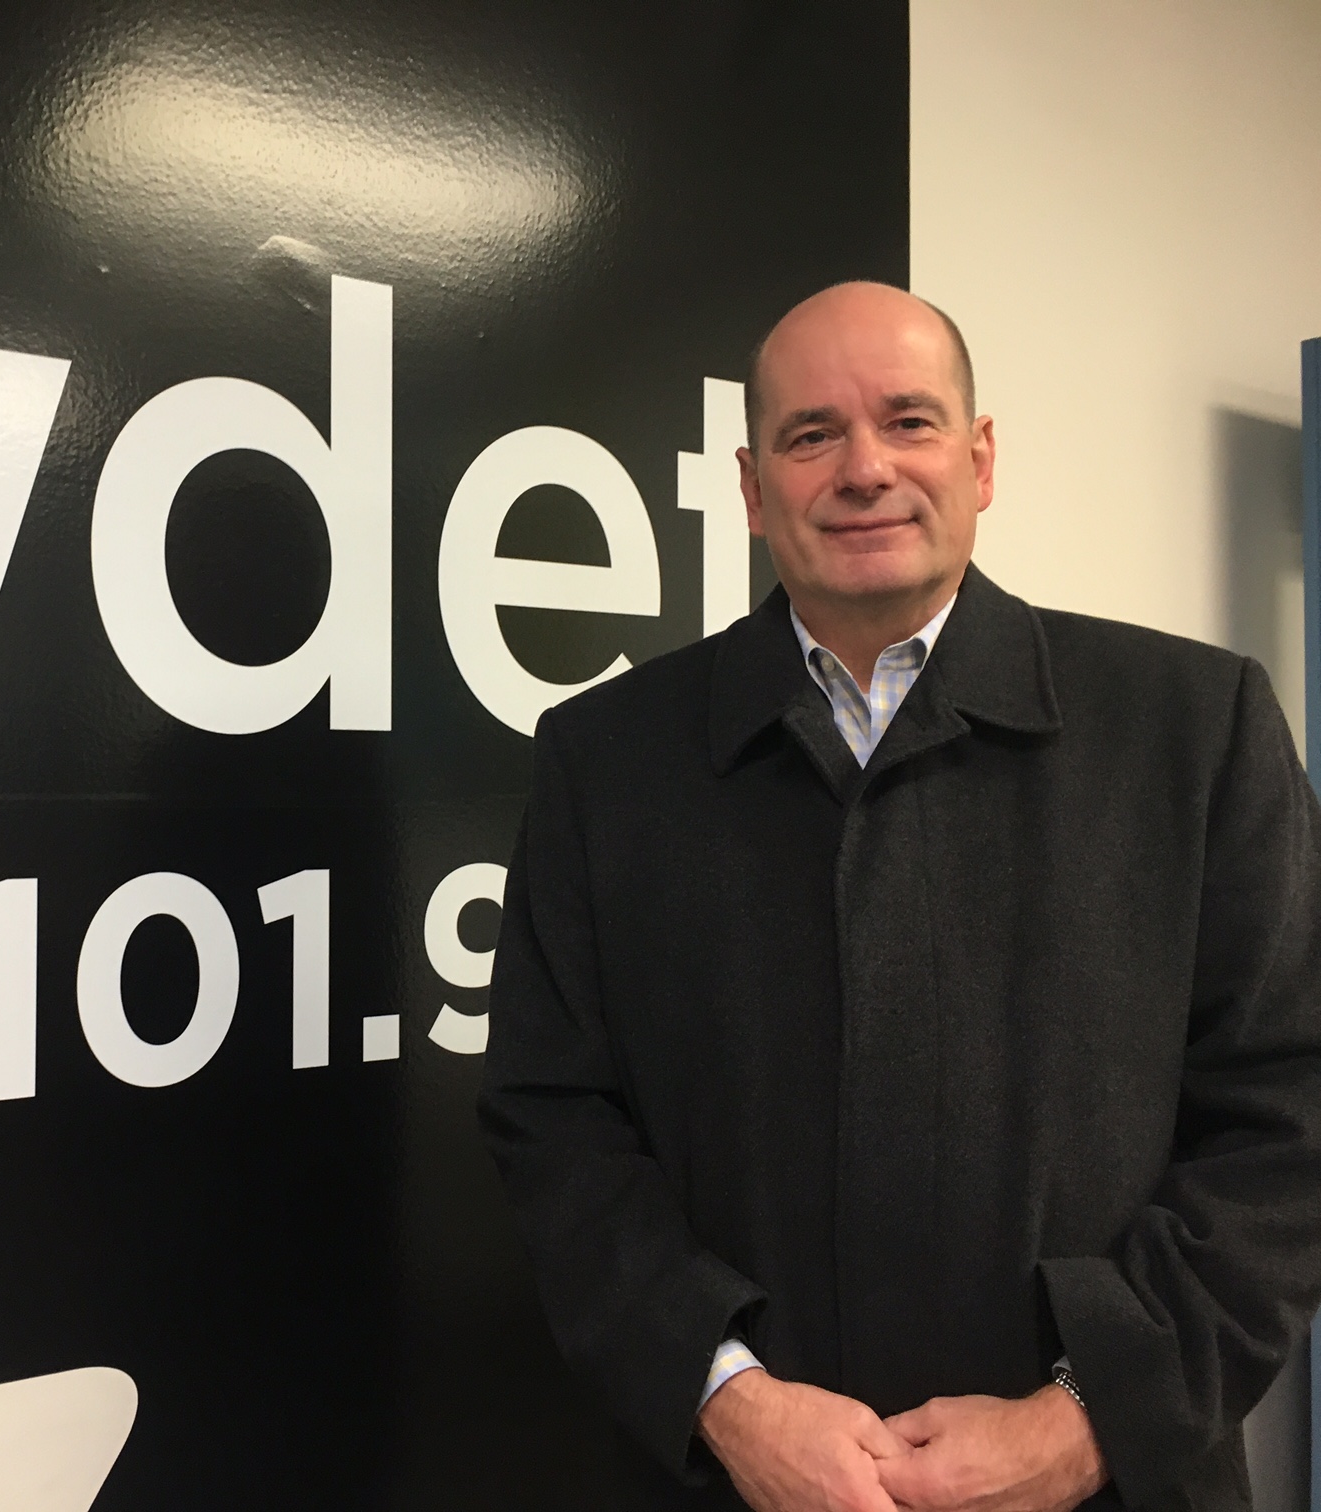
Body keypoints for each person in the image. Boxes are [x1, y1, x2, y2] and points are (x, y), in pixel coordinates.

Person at [477, 281, 1321, 1512]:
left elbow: (1290, 1115)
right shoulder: (604, 762)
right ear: (753, 488)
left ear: (981, 461)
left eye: (911, 422)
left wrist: (1088, 1418)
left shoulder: (1196, 729)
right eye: (812, 434)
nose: (865, 468)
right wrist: (728, 1399)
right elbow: (554, 1127)